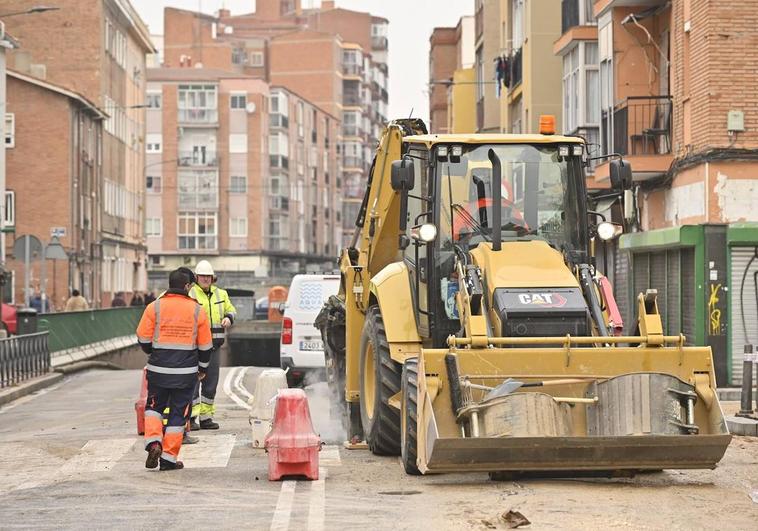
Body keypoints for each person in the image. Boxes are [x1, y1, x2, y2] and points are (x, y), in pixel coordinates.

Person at [136, 268, 213, 471]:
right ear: (187, 286)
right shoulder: (197, 310)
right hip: (185, 374)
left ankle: (154, 443)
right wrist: (202, 368)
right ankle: (169, 459)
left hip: (158, 371)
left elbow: (143, 338)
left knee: (154, 408)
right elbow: (206, 346)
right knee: (178, 414)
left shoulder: (154, 307)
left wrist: (154, 351)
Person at [189, 260, 236, 431]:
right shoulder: (190, 294)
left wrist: (228, 318)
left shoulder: (221, 294)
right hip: (195, 347)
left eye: (208, 276)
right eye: (202, 276)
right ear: (196, 277)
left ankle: (206, 418)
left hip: (214, 347)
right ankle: (191, 418)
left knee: (210, 383)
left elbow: (231, 309)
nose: (206, 279)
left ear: (212, 278)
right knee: (193, 382)